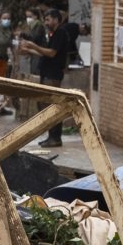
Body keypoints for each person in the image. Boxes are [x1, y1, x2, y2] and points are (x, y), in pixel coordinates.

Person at [19, 8, 78, 147]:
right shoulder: (53, 34)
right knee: (45, 106)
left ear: (56, 20)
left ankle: (55, 138)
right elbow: (45, 54)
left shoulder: (61, 33)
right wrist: (29, 50)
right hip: (47, 73)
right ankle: (52, 136)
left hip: (53, 75)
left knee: (52, 106)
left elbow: (51, 53)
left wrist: (34, 45)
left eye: (48, 19)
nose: (46, 22)